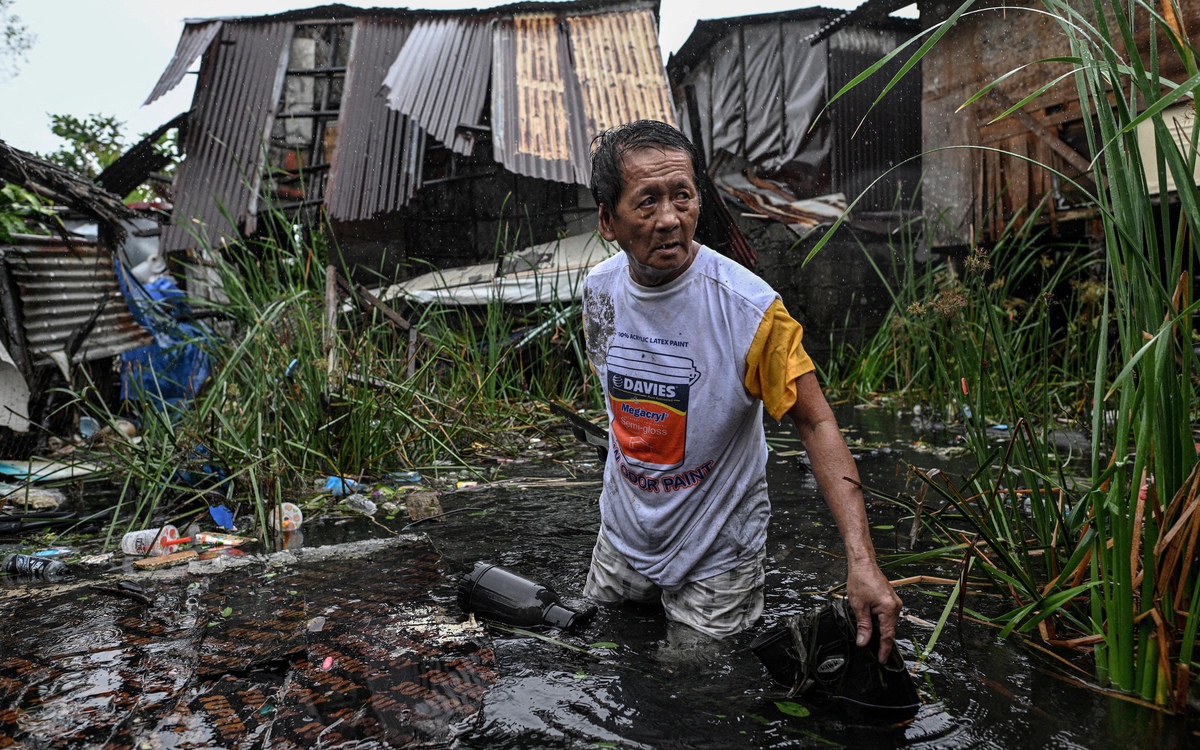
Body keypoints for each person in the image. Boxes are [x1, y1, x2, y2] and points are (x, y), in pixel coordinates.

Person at [581, 120, 901, 662]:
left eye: (682, 196)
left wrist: (862, 561)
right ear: (608, 221)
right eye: (647, 202)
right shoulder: (599, 291)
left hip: (717, 554)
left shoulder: (749, 311)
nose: (668, 220)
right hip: (621, 539)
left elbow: (817, 423)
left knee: (693, 691)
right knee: (599, 654)